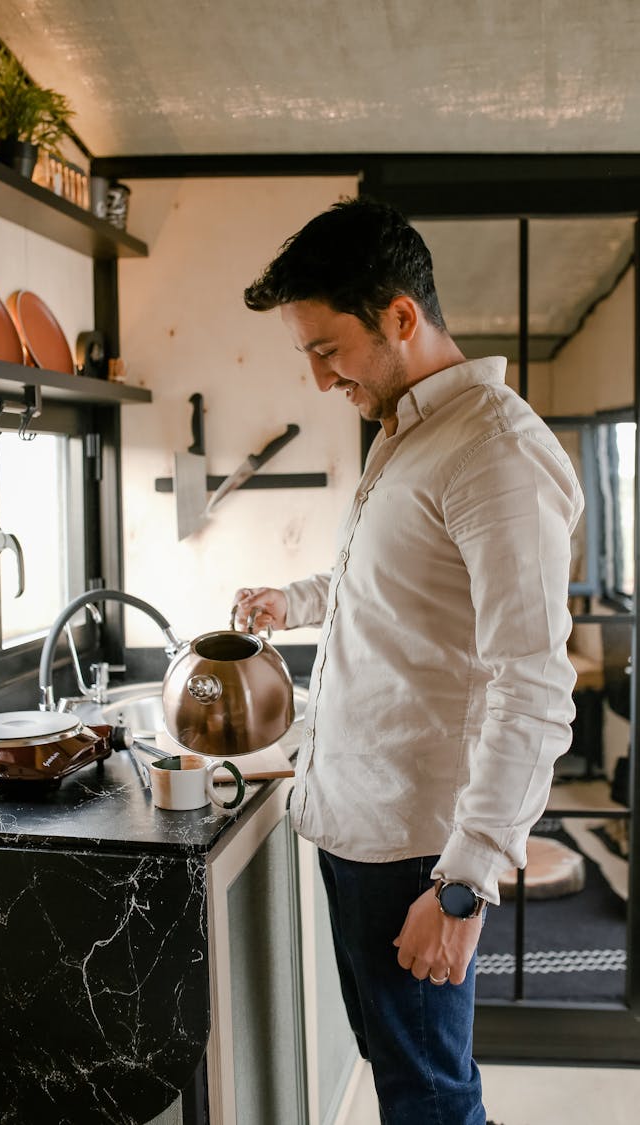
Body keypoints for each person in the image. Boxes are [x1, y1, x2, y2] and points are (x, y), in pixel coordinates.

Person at [232, 198, 583, 1125]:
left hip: (419, 854)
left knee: (430, 1095)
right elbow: (389, 583)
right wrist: (293, 602)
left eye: (325, 348)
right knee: (410, 1078)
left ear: (399, 315)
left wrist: (463, 883)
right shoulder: (406, 433)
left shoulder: (497, 451)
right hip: (359, 827)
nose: (317, 379)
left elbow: (535, 687)